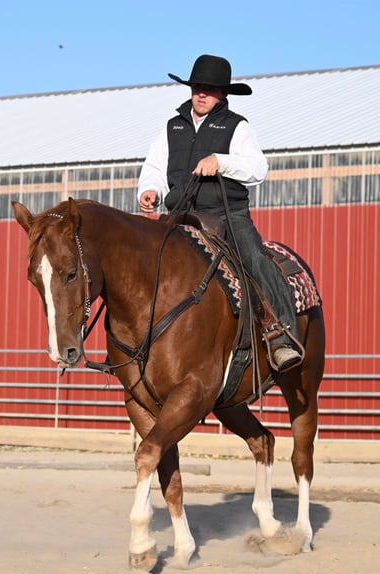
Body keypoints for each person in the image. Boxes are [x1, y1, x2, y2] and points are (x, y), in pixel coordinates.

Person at [137, 54, 302, 371]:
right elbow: (154, 168)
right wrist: (151, 189)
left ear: (223, 94)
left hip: (228, 216)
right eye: (197, 86)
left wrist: (221, 161)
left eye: (210, 89)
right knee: (142, 261)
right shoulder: (173, 127)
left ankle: (282, 336)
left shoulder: (237, 126)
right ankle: (137, 340)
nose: (201, 93)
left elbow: (258, 168)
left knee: (255, 260)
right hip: (180, 216)